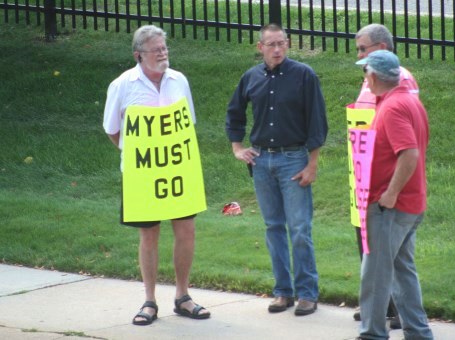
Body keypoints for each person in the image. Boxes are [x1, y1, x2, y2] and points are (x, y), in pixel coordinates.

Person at [103, 25, 210, 326]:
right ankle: (149, 301)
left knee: (186, 230)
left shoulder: (179, 81)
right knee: (149, 235)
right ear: (139, 55)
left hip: (178, 171)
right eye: (156, 49)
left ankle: (183, 296)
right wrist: (137, 156)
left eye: (164, 48)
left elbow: (188, 122)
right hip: (142, 175)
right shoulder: (123, 85)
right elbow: (113, 130)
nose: (163, 53)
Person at [225, 23, 328, 316]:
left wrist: (312, 163)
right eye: (271, 44)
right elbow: (235, 113)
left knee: (299, 229)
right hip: (261, 161)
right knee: (273, 227)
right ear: (261, 48)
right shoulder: (251, 77)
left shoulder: (303, 75)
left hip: (294, 160)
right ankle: (283, 292)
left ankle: (307, 293)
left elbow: (317, 121)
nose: (277, 49)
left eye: (281, 43)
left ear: (288, 43)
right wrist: (237, 148)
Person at [355, 50, 433, 340]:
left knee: (375, 276)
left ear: (373, 76)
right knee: (403, 271)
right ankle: (418, 332)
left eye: (365, 73)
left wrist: (389, 194)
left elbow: (409, 154)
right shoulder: (408, 101)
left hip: (392, 207)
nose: (365, 79)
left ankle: (372, 334)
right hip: (410, 204)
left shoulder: (392, 108)